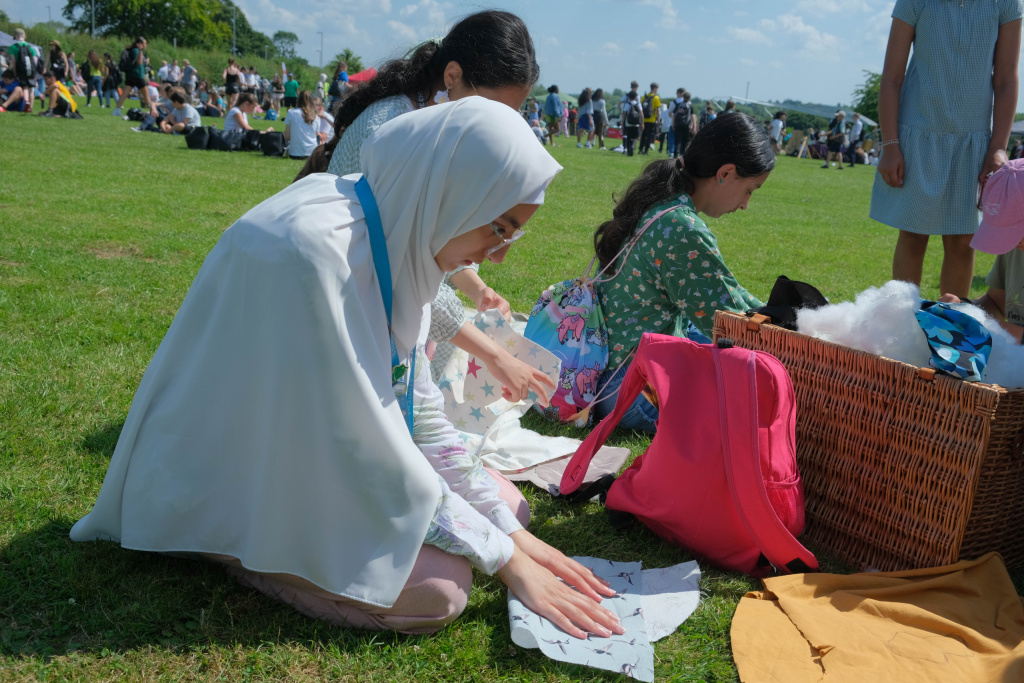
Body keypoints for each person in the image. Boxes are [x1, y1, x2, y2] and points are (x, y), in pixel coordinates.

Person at [69, 97, 624, 640]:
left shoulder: (398, 228)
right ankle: (233, 546)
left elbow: (417, 410)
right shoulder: (319, 255)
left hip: (297, 450)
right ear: (453, 194)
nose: (499, 254)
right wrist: (506, 558)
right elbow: (368, 454)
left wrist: (510, 537)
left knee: (511, 509)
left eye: (511, 232)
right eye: (499, 228)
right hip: (235, 475)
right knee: (441, 592)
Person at [592, 114, 773, 432]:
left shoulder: (663, 203)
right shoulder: (682, 226)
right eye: (750, 190)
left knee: (704, 340)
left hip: (608, 368)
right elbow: (726, 318)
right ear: (726, 173)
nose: (746, 204)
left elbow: (722, 290)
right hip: (629, 391)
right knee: (752, 383)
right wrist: (785, 330)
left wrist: (772, 315)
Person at [872, 0, 1021, 300]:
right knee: (912, 237)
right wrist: (890, 145)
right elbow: (891, 79)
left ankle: (953, 332)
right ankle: (904, 326)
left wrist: (998, 148)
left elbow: (1006, 80)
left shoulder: (1006, 3)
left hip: (975, 145)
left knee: (964, 241)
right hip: (916, 137)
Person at [940, 158, 1024, 342]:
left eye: (1015, 232)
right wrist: (965, 309)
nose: (1013, 244)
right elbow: (995, 303)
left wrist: (989, 326)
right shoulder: (1014, 247)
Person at [112, 37, 150, 118]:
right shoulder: (136, 51)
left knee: (124, 94)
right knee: (146, 94)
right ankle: (152, 112)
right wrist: (140, 51)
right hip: (137, 76)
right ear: (138, 44)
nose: (145, 45)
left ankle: (116, 110)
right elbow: (139, 63)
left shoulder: (135, 51)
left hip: (131, 75)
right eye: (144, 43)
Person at [8, 28, 39, 112]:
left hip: (20, 70)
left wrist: (12, 71)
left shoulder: (13, 47)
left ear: (16, 36)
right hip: (31, 71)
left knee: (24, 87)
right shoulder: (30, 47)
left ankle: (26, 102)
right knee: (31, 88)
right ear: (24, 36)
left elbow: (13, 61)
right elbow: (35, 61)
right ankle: (30, 107)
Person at [284, 90, 320, 159]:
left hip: (295, 153)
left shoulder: (291, 112)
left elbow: (287, 136)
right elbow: (315, 136)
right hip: (312, 153)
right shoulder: (316, 116)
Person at [670, 88, 693, 158]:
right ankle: (683, 154)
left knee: (677, 140)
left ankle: (675, 154)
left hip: (678, 124)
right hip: (686, 124)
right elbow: (693, 116)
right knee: (685, 140)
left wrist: (673, 124)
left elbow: (673, 114)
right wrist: (692, 125)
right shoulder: (690, 105)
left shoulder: (679, 104)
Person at [640, 83, 660, 155]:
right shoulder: (656, 98)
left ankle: (640, 149)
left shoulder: (644, 97)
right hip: (652, 119)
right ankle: (646, 150)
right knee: (649, 136)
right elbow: (657, 110)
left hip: (644, 119)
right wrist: (658, 119)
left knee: (643, 135)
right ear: (655, 89)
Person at [621, 89, 643, 157]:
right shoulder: (638, 104)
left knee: (629, 137)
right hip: (636, 123)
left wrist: (622, 123)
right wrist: (642, 123)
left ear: (629, 97)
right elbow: (642, 114)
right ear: (636, 97)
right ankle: (633, 146)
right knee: (635, 137)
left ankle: (628, 150)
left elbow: (624, 114)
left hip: (628, 123)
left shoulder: (627, 104)